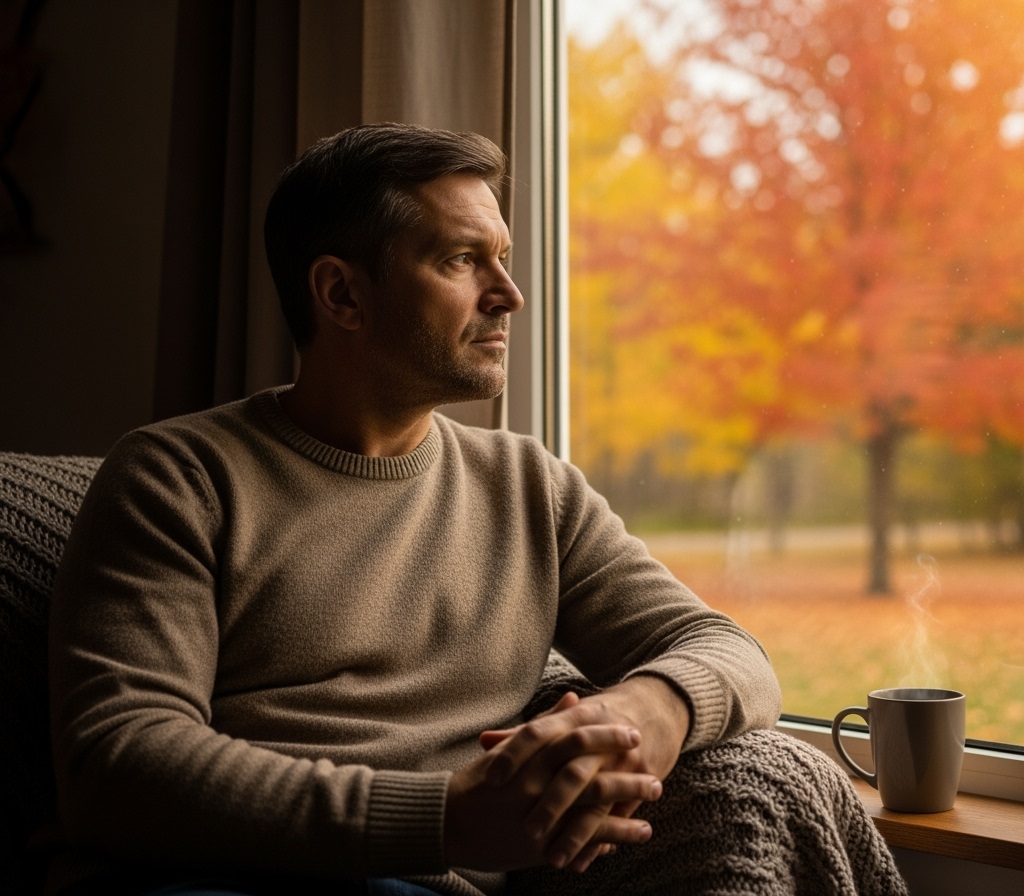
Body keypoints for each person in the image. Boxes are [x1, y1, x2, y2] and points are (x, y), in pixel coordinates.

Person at [45, 124, 784, 896]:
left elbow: (730, 652)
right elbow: (117, 765)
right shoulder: (178, 477)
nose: (509, 294)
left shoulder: (530, 486)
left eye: (501, 256)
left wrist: (653, 710)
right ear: (341, 293)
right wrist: (443, 819)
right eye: (462, 260)